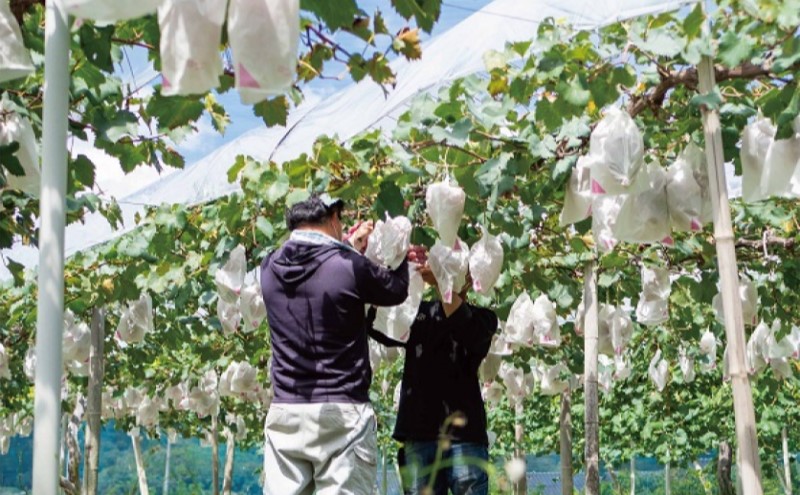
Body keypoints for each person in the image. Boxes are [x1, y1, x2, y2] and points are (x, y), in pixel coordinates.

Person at [260, 194, 421, 494]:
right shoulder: (349, 266)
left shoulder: (269, 267)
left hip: (286, 411)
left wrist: (348, 246)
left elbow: (321, 271)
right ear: (333, 217)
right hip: (342, 413)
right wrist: (401, 256)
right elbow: (396, 290)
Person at [369, 264, 499, 495]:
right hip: (419, 436)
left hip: (465, 438)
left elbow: (465, 327)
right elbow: (379, 326)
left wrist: (441, 281)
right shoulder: (418, 314)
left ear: (469, 280)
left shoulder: (484, 319)